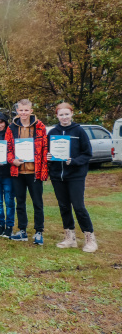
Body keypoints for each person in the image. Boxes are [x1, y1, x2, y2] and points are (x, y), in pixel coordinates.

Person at [47, 103, 97, 252]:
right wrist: (48, 157)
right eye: (61, 115)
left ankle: (90, 239)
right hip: (57, 175)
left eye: (66, 114)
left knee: (79, 206)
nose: (64, 117)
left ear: (72, 114)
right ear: (57, 116)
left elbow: (87, 153)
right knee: (63, 207)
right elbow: (48, 153)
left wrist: (74, 161)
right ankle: (70, 238)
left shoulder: (79, 131)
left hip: (75, 175)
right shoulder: (52, 133)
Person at [6, 99, 48, 245]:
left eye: (26, 110)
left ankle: (38, 232)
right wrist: (12, 160)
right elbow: (8, 148)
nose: (23, 113)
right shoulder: (11, 127)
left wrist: (43, 169)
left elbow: (44, 148)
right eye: (21, 110)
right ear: (17, 111)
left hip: (34, 172)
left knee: (37, 203)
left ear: (31, 111)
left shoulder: (40, 126)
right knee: (20, 203)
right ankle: (22, 230)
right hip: (18, 172)